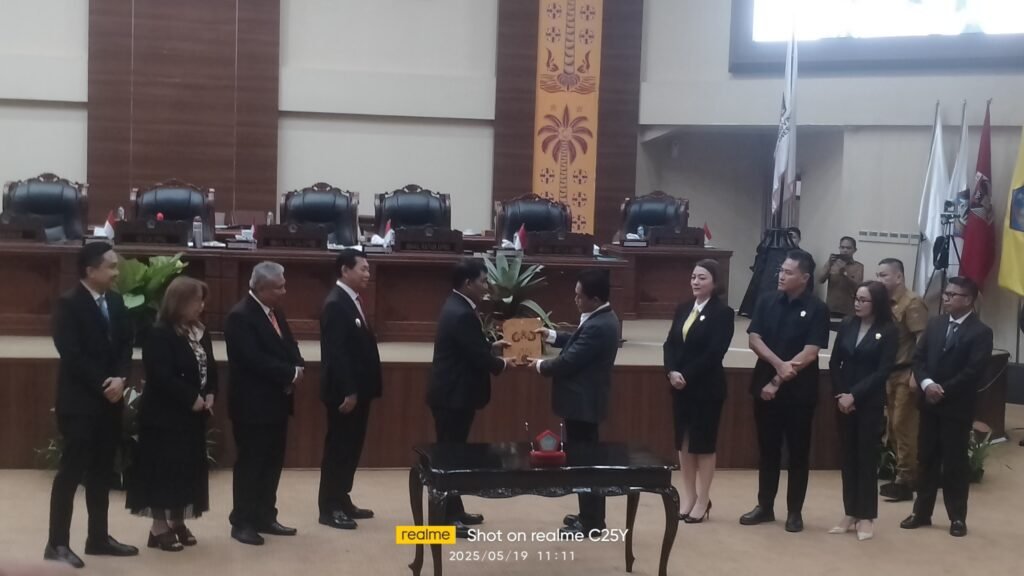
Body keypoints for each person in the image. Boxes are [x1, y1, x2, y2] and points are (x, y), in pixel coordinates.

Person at [45, 242, 138, 569]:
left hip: (110, 401)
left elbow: (126, 344)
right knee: (71, 473)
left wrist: (121, 378)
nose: (116, 273)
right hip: (80, 403)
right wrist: (104, 384)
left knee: (102, 472)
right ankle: (57, 543)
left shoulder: (115, 301)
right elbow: (71, 354)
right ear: (90, 270)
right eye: (110, 267)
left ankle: (98, 538)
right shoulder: (69, 304)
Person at [740, 249, 830, 533]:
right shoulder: (766, 300)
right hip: (765, 386)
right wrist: (779, 366)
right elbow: (755, 339)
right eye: (781, 270)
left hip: (799, 392)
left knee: (798, 453)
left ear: (804, 278)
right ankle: (765, 506)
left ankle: (794, 512)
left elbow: (811, 351)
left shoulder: (817, 308)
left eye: (789, 272)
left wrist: (779, 379)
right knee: (768, 451)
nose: (781, 275)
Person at [128, 277, 218, 551]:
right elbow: (161, 375)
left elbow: (210, 367)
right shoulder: (159, 333)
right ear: (180, 302)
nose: (201, 306)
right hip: (164, 416)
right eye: (196, 301)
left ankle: (177, 521)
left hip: (193, 417)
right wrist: (191, 398)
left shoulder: (200, 331)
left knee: (186, 470)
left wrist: (210, 393)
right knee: (163, 470)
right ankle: (158, 527)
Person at [530, 270, 620, 536]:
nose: (575, 299)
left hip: (584, 405)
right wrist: (551, 335)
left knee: (586, 464)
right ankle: (587, 514)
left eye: (580, 296)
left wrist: (539, 365)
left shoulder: (599, 325)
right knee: (582, 461)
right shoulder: (601, 318)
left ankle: (592, 522)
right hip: (583, 404)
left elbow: (570, 361)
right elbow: (577, 341)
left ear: (595, 299)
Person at [901, 277, 993, 538]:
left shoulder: (981, 332)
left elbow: (974, 371)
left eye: (953, 295)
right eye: (946, 293)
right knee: (926, 459)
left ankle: (957, 517)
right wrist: (927, 384)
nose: (946, 298)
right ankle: (922, 512)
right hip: (929, 404)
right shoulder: (935, 324)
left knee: (955, 464)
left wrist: (943, 390)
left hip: (956, 407)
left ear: (968, 300)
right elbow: (918, 359)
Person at [427, 258, 509, 538]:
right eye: (483, 281)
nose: (486, 287)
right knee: (449, 459)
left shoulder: (458, 306)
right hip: (453, 397)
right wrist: (505, 363)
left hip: (454, 395)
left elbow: (470, 346)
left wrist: (491, 347)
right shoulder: (461, 312)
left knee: (456, 455)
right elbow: (476, 357)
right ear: (467, 283)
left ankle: (455, 509)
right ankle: (446, 518)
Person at [225, 262, 305, 546]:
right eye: (279, 287)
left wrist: (298, 366)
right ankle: (242, 521)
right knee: (251, 464)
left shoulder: (275, 311)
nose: (284, 291)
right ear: (261, 288)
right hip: (252, 406)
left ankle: (265, 516)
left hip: (277, 403)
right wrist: (289, 373)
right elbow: (253, 360)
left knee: (272, 462)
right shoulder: (240, 316)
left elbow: (289, 344)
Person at [662, 260, 735, 523]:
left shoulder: (723, 313)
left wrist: (687, 375)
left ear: (715, 282)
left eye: (702, 277)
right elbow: (670, 344)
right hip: (679, 387)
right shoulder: (683, 308)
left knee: (703, 445)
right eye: (693, 276)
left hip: (706, 389)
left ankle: (704, 499)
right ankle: (690, 496)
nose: (696, 281)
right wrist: (671, 371)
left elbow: (714, 353)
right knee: (683, 443)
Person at [827, 281, 897, 541]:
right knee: (848, 457)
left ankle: (866, 515)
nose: (857, 304)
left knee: (866, 458)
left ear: (876, 303)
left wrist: (854, 395)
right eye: (856, 298)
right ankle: (850, 512)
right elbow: (835, 362)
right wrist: (841, 394)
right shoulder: (847, 324)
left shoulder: (888, 330)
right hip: (843, 400)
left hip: (868, 401)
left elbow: (883, 370)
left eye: (863, 300)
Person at [318, 250, 381, 531]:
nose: (368, 274)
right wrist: (349, 391)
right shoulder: (336, 303)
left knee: (352, 448)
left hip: (359, 390)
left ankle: (342, 498)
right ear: (345, 270)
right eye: (363, 269)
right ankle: (329, 507)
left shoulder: (352, 300)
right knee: (339, 449)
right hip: (345, 393)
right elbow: (337, 354)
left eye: (368, 269)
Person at [876, 258, 928, 502]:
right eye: (878, 275)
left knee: (902, 425)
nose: (879, 279)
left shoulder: (912, 302)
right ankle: (902, 474)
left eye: (884, 275)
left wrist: (918, 374)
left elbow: (922, 340)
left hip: (907, 372)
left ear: (899, 277)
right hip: (889, 372)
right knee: (892, 429)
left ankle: (906, 479)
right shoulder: (883, 303)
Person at [818, 237, 864, 318]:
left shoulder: (858, 266)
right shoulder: (832, 263)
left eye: (848, 248)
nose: (845, 250)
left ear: (854, 250)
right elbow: (820, 280)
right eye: (842, 247)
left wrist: (844, 273)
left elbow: (857, 287)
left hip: (849, 310)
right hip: (831, 308)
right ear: (839, 248)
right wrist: (829, 264)